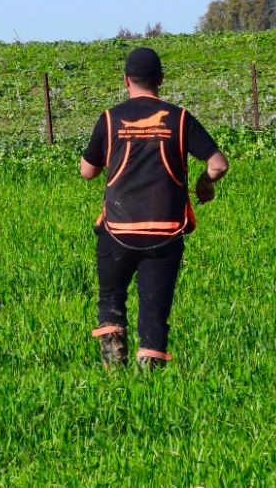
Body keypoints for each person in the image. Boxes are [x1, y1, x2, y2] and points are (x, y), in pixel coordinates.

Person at [80, 47, 229, 369]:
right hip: (165, 232)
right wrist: (204, 183)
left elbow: (87, 171)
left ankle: (112, 357)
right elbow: (218, 164)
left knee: (111, 296)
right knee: (155, 308)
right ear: (161, 79)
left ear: (125, 80)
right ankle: (150, 371)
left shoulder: (109, 118)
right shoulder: (180, 118)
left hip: (118, 231)